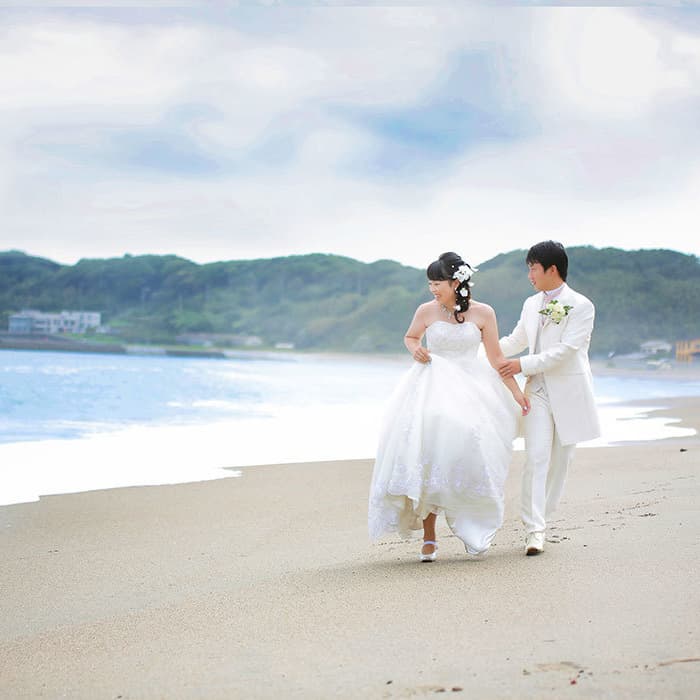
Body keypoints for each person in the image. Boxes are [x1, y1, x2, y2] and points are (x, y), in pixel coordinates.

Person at [368, 252, 530, 561]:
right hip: (431, 385)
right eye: (429, 283)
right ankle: (429, 536)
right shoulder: (426, 310)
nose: (432, 289)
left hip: (472, 388)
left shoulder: (484, 313)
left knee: (470, 449)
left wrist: (516, 392)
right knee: (428, 450)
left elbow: (496, 359)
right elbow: (410, 337)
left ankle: (471, 524)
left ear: (456, 282)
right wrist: (416, 349)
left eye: (437, 283)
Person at [498, 241, 600, 556]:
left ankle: (544, 517)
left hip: (569, 393)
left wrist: (521, 364)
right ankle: (535, 530)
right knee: (536, 457)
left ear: (551, 269)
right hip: (537, 392)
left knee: (561, 462)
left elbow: (565, 352)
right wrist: (482, 350)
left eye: (533, 268)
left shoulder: (581, 306)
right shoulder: (531, 304)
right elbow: (516, 339)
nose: (529, 274)